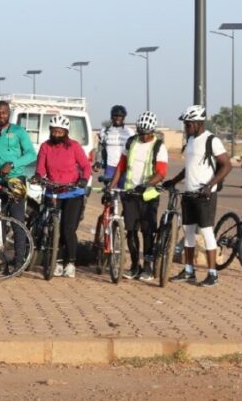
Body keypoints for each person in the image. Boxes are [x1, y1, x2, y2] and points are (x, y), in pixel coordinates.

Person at [163, 105, 232, 287]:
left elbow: (226, 165)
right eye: (186, 124)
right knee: (188, 233)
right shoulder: (192, 140)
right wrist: (174, 180)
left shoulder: (212, 140)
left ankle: (212, 273)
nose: (186, 127)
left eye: (188, 124)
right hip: (189, 193)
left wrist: (210, 185)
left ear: (199, 123)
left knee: (207, 232)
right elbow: (191, 167)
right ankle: (189, 270)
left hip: (205, 195)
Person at [108, 111, 168, 280]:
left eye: (146, 134)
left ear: (152, 132)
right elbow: (121, 167)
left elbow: (161, 173)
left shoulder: (159, 147)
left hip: (148, 196)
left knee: (147, 232)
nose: (143, 136)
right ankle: (135, 265)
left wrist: (147, 185)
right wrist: (111, 186)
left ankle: (148, 267)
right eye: (141, 132)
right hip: (130, 194)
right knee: (131, 230)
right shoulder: (131, 142)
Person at [0, 100, 37, 274]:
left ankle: (18, 261)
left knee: (17, 219)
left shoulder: (19, 132)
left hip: (16, 180)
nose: (0, 116)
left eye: (4, 112)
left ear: (9, 113)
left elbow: (31, 154)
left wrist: (12, 164)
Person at [33, 115, 91, 278]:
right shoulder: (45, 147)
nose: (57, 134)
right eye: (54, 131)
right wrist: (38, 176)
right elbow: (40, 169)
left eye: (60, 132)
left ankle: (70, 262)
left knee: (68, 228)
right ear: (50, 131)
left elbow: (86, 166)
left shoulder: (73, 146)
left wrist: (83, 180)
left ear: (66, 132)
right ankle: (56, 262)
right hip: (53, 192)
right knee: (53, 227)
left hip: (73, 192)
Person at [97, 105, 134, 186]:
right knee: (109, 194)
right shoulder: (104, 131)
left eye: (120, 116)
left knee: (124, 194)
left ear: (124, 117)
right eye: (115, 115)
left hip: (124, 168)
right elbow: (100, 148)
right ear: (111, 116)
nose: (118, 118)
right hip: (110, 167)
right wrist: (98, 162)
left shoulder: (129, 132)